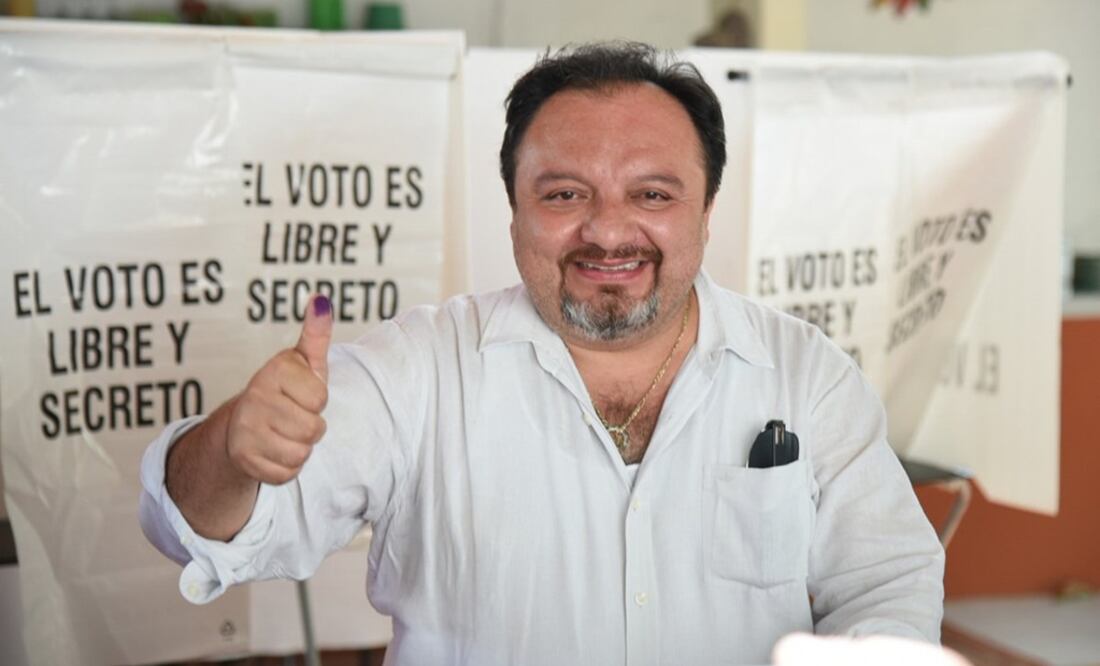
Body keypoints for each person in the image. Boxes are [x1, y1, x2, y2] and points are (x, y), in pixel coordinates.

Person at [140, 42, 945, 665]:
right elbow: (195, 529)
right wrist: (236, 450)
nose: (607, 229)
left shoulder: (804, 374)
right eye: (564, 194)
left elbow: (887, 582)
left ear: (706, 212)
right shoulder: (418, 371)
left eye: (652, 194)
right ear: (515, 211)